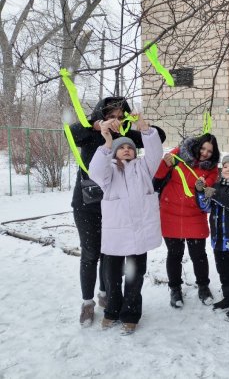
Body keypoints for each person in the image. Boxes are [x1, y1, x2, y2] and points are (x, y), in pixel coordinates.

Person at [69, 97, 166, 326]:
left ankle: (107, 296)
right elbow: (71, 133)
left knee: (109, 255)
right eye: (111, 116)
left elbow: (157, 137)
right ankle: (87, 303)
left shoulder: (125, 138)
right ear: (99, 115)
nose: (116, 120)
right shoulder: (90, 132)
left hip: (118, 208)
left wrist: (139, 125)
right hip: (88, 205)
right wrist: (97, 127)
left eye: (121, 116)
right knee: (91, 253)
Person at [88, 114, 163, 334]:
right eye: (122, 148)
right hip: (116, 233)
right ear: (115, 152)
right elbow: (95, 171)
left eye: (130, 147)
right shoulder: (109, 170)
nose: (127, 150)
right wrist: (107, 142)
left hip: (139, 233)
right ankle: (112, 311)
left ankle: (130, 314)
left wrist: (146, 131)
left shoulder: (144, 169)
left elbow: (156, 153)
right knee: (112, 277)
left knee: (134, 276)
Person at [154, 133, 220, 307]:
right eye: (203, 148)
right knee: (174, 254)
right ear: (197, 145)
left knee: (198, 255)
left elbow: (210, 186)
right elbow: (158, 178)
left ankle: (203, 286)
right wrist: (164, 164)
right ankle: (175, 289)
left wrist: (204, 186)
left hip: (195, 215)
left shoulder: (211, 168)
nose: (205, 153)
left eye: (209, 151)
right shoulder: (178, 154)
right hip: (170, 212)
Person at [195, 152, 229, 320]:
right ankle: (228, 298)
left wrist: (216, 194)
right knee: (223, 273)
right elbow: (206, 208)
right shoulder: (218, 185)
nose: (227, 169)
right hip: (218, 240)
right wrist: (200, 192)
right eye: (225, 166)